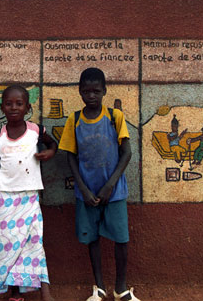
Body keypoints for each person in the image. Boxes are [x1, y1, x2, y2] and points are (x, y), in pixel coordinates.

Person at [58, 68, 137, 301]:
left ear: (104, 91)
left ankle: (121, 288)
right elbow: (70, 155)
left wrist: (110, 185)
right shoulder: (74, 120)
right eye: (86, 91)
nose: (91, 95)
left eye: (96, 91)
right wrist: (82, 187)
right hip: (87, 192)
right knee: (92, 238)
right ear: (80, 92)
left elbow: (127, 153)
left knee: (121, 238)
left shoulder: (114, 117)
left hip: (114, 191)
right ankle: (99, 287)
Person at [0, 85, 57, 301]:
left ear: (27, 107)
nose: (14, 107)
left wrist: (50, 152)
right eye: (9, 104)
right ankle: (14, 291)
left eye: (19, 104)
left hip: (29, 196)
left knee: (33, 241)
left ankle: (45, 291)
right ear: (2, 108)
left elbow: (53, 144)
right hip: (5, 198)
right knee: (7, 245)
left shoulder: (36, 131)